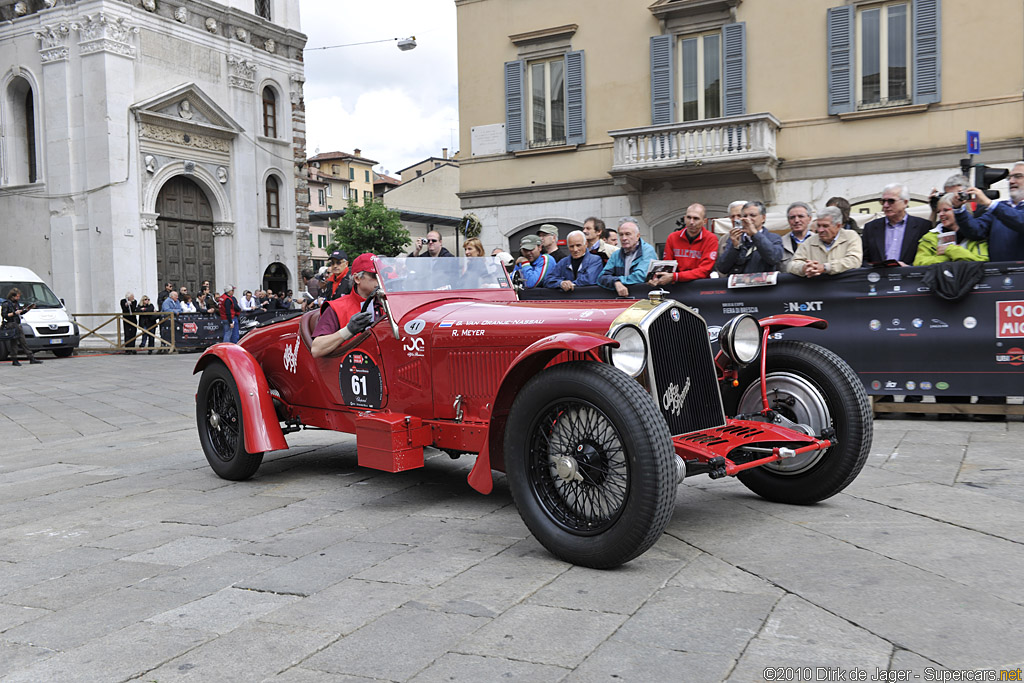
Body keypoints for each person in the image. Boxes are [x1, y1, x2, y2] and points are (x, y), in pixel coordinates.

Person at [952, 161, 1024, 262]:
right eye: (1009, 177)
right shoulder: (1001, 207)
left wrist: (989, 203)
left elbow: (1020, 221)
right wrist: (959, 209)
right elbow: (975, 231)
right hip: (998, 273)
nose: (1011, 181)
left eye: (1018, 176)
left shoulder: (996, 208)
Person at [311, 253, 379, 358]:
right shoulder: (336, 307)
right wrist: (348, 330)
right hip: (349, 367)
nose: (380, 280)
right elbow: (316, 349)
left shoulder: (387, 304)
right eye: (374, 275)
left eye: (382, 275)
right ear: (357, 279)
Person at [861, 182, 931, 266]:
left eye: (891, 201)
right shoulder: (870, 227)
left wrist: (909, 268)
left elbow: (927, 257)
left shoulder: (923, 226)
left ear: (905, 202)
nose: (886, 205)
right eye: (883, 201)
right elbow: (863, 259)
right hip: (879, 276)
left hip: (910, 276)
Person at [787, 207, 864, 277]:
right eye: (818, 225)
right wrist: (804, 267)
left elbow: (854, 261)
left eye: (825, 226)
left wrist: (825, 267)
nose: (820, 230)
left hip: (844, 289)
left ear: (838, 226)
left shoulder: (850, 236)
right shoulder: (810, 241)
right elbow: (791, 265)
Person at [652, 203, 717, 285]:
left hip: (700, 286)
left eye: (696, 218)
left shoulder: (711, 239)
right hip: (677, 286)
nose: (691, 222)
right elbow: (667, 266)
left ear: (704, 221)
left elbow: (704, 271)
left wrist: (675, 276)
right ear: (684, 218)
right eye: (688, 217)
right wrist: (657, 277)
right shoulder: (673, 237)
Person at [915, 194, 988, 265]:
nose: (940, 214)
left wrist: (951, 250)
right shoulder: (930, 237)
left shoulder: (976, 234)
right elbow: (919, 262)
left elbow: (981, 261)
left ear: (960, 210)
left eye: (945, 210)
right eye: (938, 211)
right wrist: (948, 257)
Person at [715, 200, 784, 274]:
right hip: (739, 284)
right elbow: (722, 268)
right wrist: (735, 247)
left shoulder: (774, 238)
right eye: (744, 216)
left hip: (762, 283)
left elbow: (774, 258)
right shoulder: (735, 238)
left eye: (752, 215)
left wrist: (755, 234)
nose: (747, 219)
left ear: (763, 218)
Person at [598, 218, 658, 296]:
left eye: (628, 234)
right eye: (621, 234)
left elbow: (640, 276)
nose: (624, 238)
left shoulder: (647, 251)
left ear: (637, 236)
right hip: (622, 299)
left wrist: (618, 280)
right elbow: (601, 277)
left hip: (643, 298)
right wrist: (616, 282)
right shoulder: (616, 254)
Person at [1, 288, 42, 365]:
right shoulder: (6, 304)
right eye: (17, 296)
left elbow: (21, 312)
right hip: (11, 324)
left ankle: (29, 358)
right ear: (12, 296)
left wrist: (28, 309)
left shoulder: (16, 303)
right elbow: (5, 315)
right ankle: (16, 359)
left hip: (17, 324)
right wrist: (14, 313)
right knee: (15, 342)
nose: (18, 298)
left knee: (22, 342)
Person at [780, 202, 814, 271]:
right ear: (788, 221)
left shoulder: (819, 240)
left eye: (801, 216)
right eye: (792, 217)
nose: (796, 220)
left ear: (809, 219)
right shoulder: (780, 243)